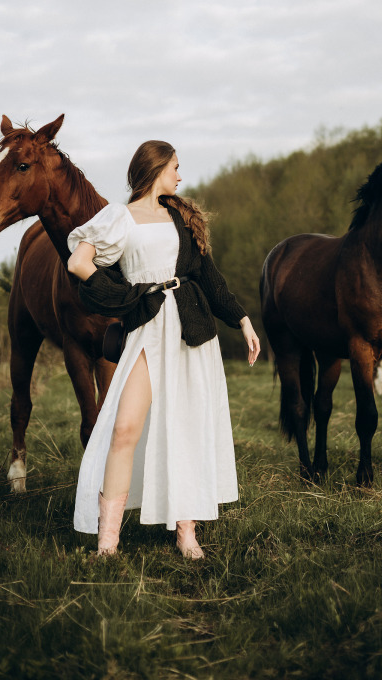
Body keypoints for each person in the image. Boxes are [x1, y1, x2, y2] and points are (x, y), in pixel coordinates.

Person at [67, 140, 261, 560]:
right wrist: (126, 297)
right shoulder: (120, 217)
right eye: (175, 166)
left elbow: (208, 276)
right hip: (147, 329)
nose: (179, 174)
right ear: (155, 168)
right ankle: (108, 542)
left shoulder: (180, 215)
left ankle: (186, 532)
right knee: (124, 430)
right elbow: (79, 262)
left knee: (184, 429)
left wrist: (242, 320)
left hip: (191, 331)